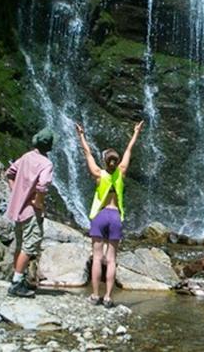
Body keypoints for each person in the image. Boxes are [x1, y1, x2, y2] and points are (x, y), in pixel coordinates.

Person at [74, 119, 144, 307]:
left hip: (100, 215)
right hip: (115, 216)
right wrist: (136, 132)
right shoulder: (121, 172)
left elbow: (87, 153)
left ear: (105, 161)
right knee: (111, 260)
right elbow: (129, 151)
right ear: (117, 161)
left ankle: (95, 295)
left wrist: (81, 135)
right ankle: (108, 297)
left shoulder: (98, 173)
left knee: (97, 258)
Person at [4, 128, 55, 298]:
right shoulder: (46, 164)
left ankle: (18, 278)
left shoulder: (26, 157)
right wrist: (38, 203)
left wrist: (16, 193)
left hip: (18, 209)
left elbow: (9, 173)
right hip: (31, 211)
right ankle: (16, 283)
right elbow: (42, 185)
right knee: (30, 244)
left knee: (20, 244)